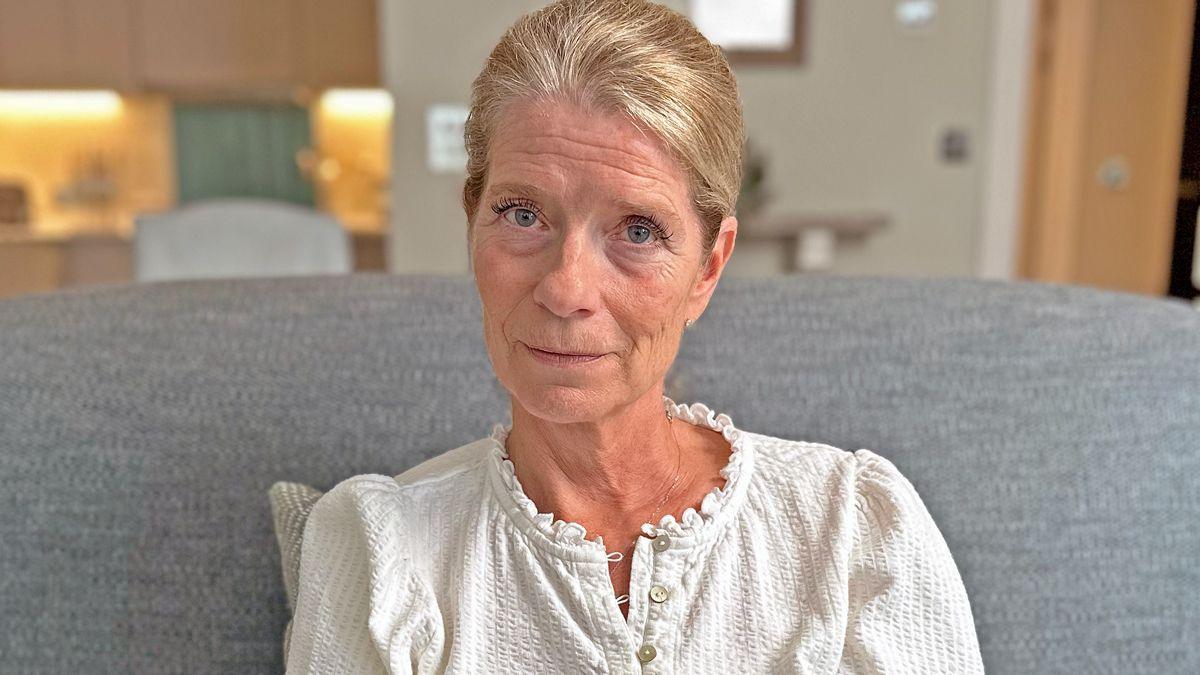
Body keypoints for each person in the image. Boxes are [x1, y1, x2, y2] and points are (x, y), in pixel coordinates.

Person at [285, 0, 985, 672]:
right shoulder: (381, 554)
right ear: (473, 225)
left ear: (707, 269)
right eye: (523, 214)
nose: (566, 288)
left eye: (639, 231)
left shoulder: (853, 531)